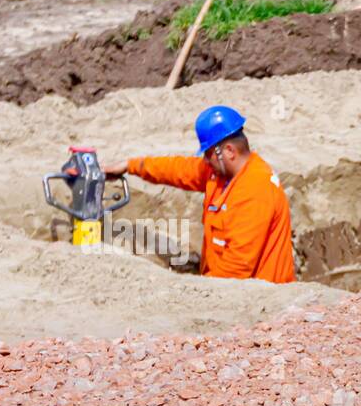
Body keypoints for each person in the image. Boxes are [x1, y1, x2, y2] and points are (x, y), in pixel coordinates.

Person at [103, 106, 295, 282]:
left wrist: (199, 293)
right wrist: (131, 165)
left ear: (228, 151)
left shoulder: (255, 190)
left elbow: (236, 269)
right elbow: (178, 169)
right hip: (226, 286)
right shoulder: (222, 172)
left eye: (208, 153)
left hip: (260, 304)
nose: (205, 160)